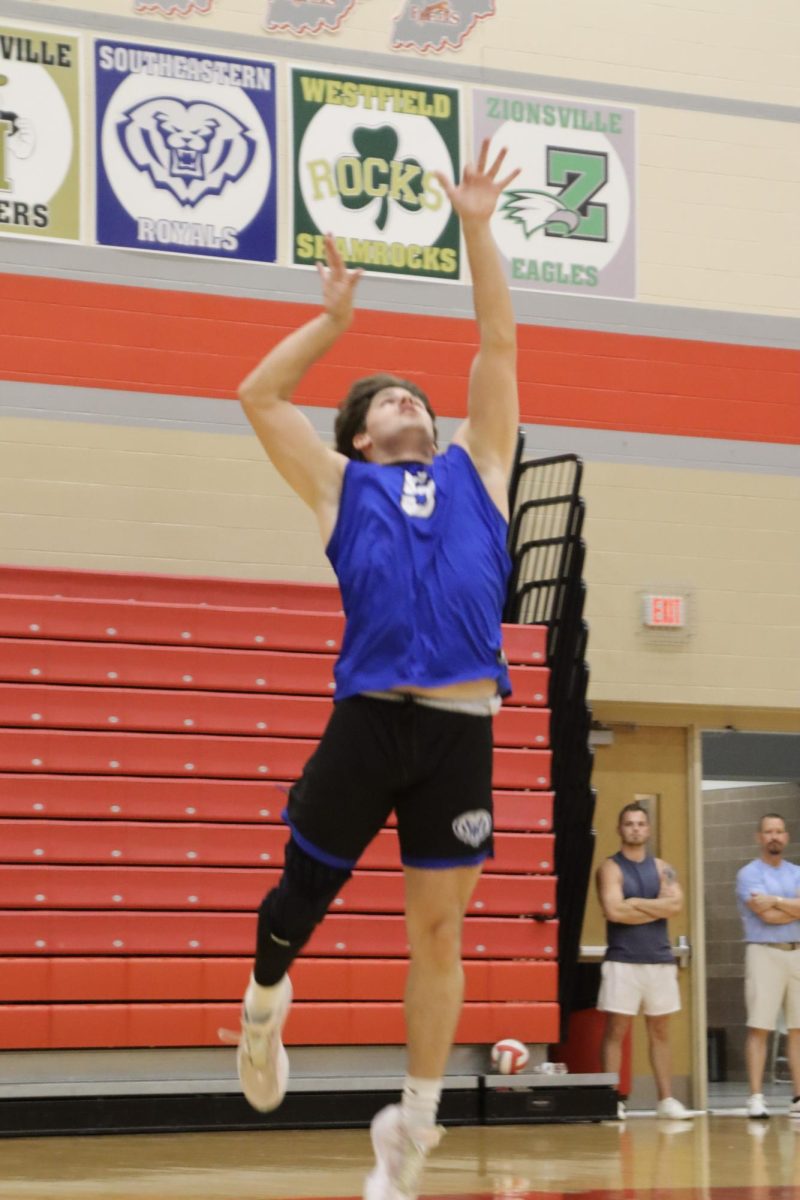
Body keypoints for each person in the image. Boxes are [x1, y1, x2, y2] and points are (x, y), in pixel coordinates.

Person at [222, 140, 520, 1200]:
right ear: (356, 430)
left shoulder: (479, 468)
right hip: (368, 719)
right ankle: (263, 1009)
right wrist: (336, 324)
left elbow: (494, 338)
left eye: (413, 394)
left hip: (457, 728)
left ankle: (415, 1124)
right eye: (386, 396)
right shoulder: (339, 487)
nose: (409, 400)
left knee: (437, 931)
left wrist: (476, 227)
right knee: (302, 896)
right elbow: (258, 395)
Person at [595, 801, 693, 1120]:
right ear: (620, 829)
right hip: (623, 960)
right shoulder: (609, 868)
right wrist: (655, 906)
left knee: (661, 1032)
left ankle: (666, 1100)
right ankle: (612, 1099)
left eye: (640, 823)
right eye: (629, 824)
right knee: (616, 1031)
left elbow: (675, 905)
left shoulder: (664, 867)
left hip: (660, 960)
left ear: (648, 829)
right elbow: (614, 911)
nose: (635, 828)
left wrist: (635, 903)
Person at [736, 813, 800, 1119]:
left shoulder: (796, 872)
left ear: (785, 837)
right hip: (764, 953)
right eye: (768, 832)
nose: (774, 836)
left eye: (779, 831)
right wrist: (791, 908)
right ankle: (756, 1097)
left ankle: (799, 1098)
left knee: (798, 1030)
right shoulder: (748, 874)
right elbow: (766, 916)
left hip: (797, 952)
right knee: (759, 1027)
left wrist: (774, 899)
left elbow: (773, 908)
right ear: (759, 837)